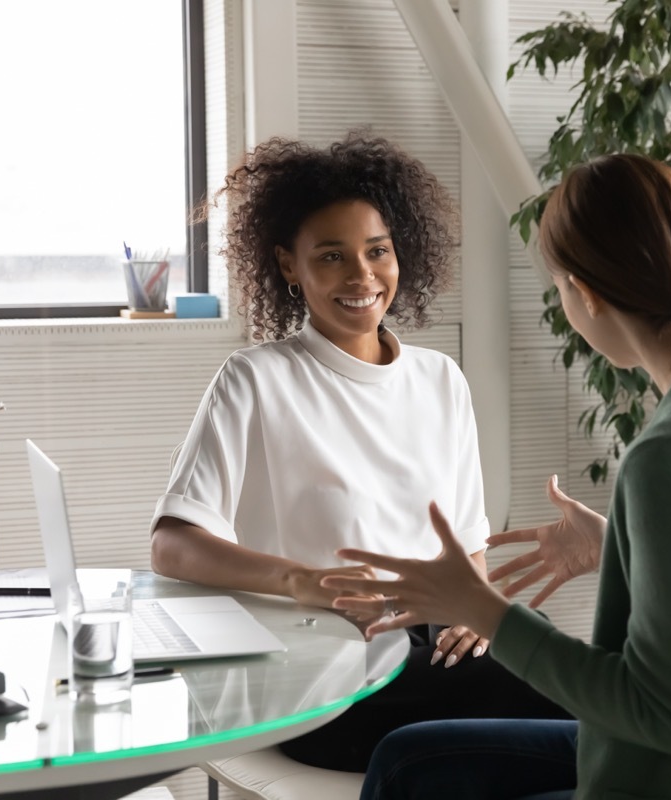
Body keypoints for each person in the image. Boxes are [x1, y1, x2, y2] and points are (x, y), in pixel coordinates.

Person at [322, 153, 671, 799]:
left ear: (584, 294)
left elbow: (662, 715)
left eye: (557, 286)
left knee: (409, 780)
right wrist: (621, 549)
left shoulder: (669, 456)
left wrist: (485, 612)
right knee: (409, 760)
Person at [149, 131, 566, 773]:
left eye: (377, 252)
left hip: (440, 656)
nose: (361, 276)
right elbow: (172, 546)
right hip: (325, 679)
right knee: (577, 706)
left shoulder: (440, 380)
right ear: (289, 266)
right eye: (332, 257)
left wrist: (480, 614)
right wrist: (302, 581)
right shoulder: (256, 380)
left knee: (566, 677)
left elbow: (469, 546)